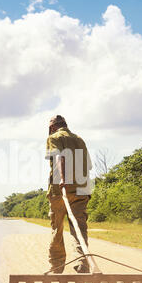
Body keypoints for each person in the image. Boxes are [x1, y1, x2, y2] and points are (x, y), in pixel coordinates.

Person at [45, 115, 93, 274]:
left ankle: (57, 266)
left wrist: (64, 179)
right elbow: (89, 165)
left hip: (60, 189)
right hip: (81, 190)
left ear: (52, 127)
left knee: (57, 228)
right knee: (79, 227)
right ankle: (82, 262)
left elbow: (59, 156)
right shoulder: (79, 139)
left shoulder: (54, 137)